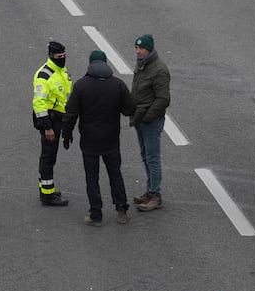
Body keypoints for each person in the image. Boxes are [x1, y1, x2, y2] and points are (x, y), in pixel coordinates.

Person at [62, 50, 135, 226]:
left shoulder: (81, 85)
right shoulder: (117, 85)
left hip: (89, 141)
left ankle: (96, 214)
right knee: (115, 174)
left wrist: (67, 134)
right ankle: (121, 209)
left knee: (92, 177)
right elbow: (129, 109)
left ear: (90, 64)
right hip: (111, 140)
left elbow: (71, 113)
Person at [130, 33, 172, 212]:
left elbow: (163, 99)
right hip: (140, 118)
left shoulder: (159, 69)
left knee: (153, 159)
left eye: (141, 48)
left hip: (150, 121)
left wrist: (147, 116)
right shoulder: (143, 65)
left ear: (149, 49)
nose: (138, 51)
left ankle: (156, 195)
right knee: (145, 157)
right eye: (137, 48)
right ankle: (150, 191)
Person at [31, 40, 72, 207]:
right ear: (51, 56)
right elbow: (39, 103)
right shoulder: (44, 75)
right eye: (59, 56)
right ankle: (47, 195)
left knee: (49, 156)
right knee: (48, 157)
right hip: (50, 120)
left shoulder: (60, 71)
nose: (62, 58)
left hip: (57, 118)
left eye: (64, 56)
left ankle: (46, 189)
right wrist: (47, 127)